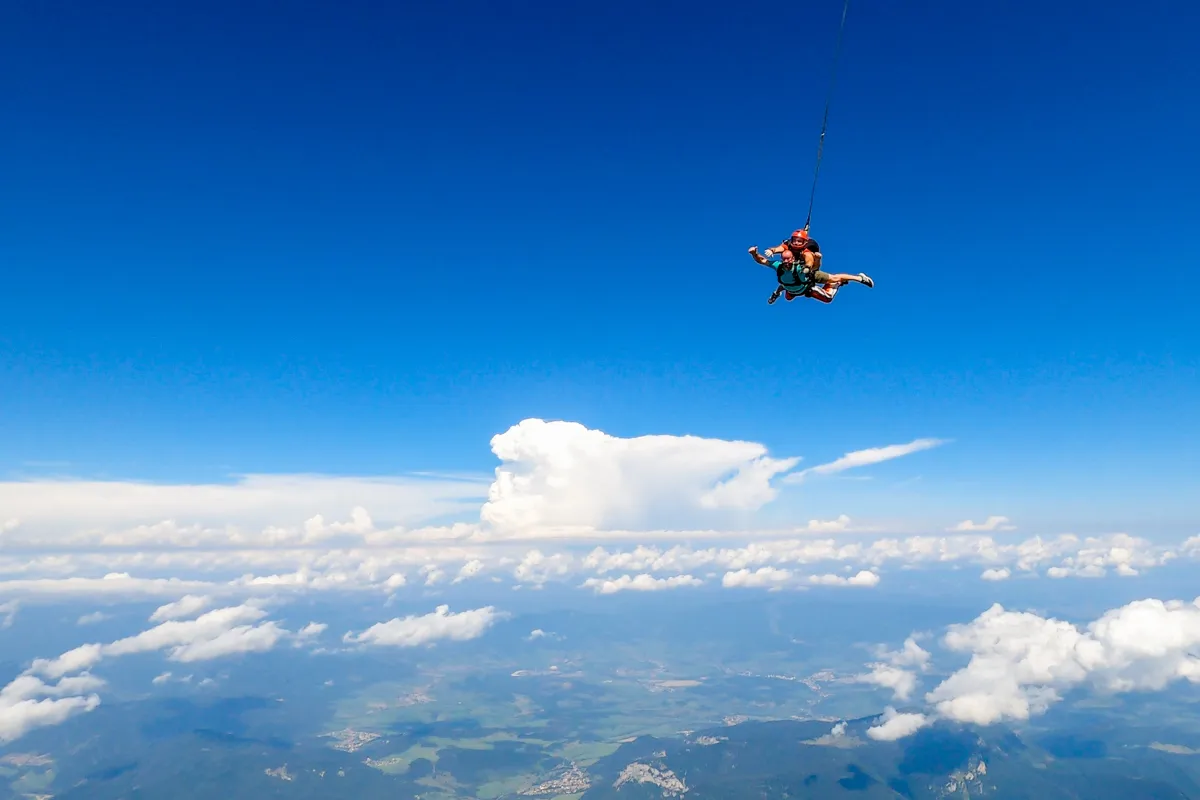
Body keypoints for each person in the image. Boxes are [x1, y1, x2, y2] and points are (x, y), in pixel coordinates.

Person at [748, 241, 873, 305]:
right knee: (788, 295)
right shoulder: (779, 267)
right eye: (784, 259)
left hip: (807, 285)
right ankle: (779, 294)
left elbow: (814, 266)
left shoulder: (800, 269)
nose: (786, 262)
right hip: (793, 288)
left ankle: (859, 278)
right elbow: (763, 261)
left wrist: (815, 261)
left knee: (830, 292)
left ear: (793, 259)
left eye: (788, 259)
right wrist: (754, 254)